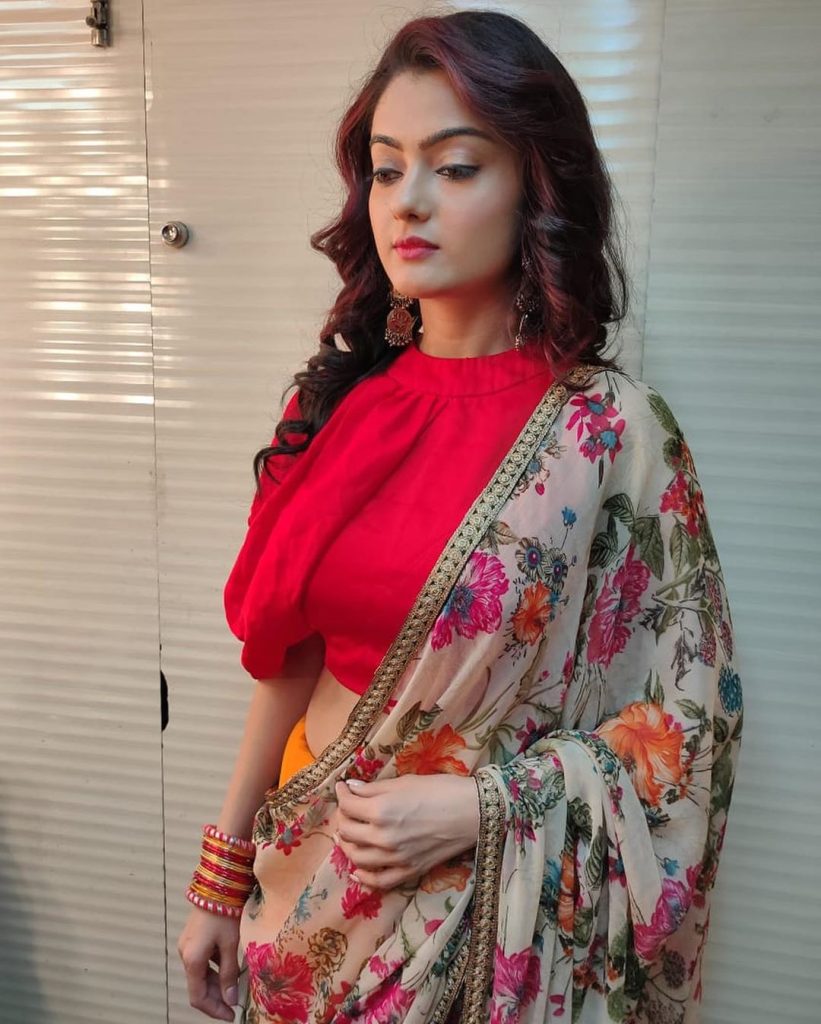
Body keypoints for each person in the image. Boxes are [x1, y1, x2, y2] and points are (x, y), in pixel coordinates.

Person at [176, 10, 743, 1024]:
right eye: (386, 169)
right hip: (305, 894)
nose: (409, 200)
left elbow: (685, 722)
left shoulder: (607, 434)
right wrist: (221, 875)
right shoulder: (333, 408)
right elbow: (289, 658)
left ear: (535, 183)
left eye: (454, 166)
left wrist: (485, 808)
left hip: (484, 925)